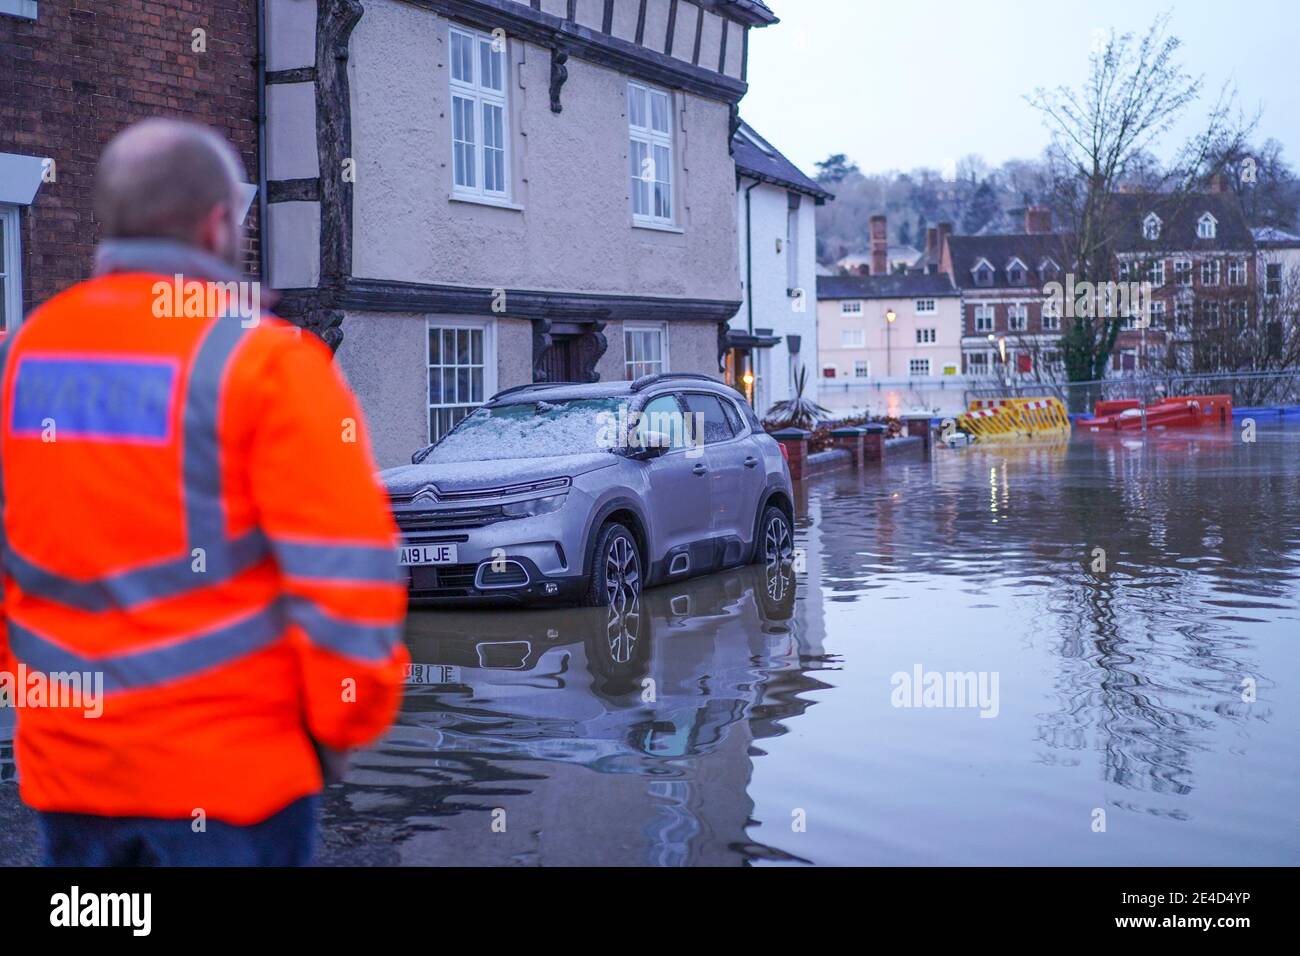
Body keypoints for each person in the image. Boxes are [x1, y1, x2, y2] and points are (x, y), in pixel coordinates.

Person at [0, 119, 408, 866]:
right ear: (220, 224)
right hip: (232, 789)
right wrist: (342, 727)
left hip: (68, 781)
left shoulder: (19, 358)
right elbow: (347, 580)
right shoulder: (268, 364)